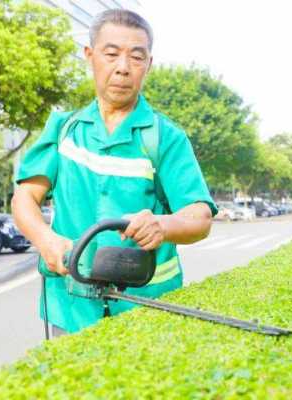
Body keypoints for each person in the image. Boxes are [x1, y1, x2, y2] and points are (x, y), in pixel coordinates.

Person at [12, 9, 217, 337]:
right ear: (90, 56)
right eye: (111, 54)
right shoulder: (63, 129)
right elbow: (25, 197)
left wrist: (162, 225)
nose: (123, 67)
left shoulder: (166, 137)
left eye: (136, 57)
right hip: (70, 309)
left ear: (148, 65)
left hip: (149, 308)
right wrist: (44, 238)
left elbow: (200, 216)